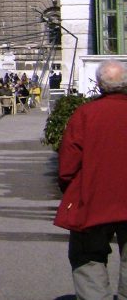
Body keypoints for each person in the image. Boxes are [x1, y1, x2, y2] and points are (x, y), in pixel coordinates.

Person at [54, 59, 127, 300]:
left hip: (93, 197)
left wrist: (71, 188)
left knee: (88, 257)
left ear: (99, 84)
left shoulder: (85, 114)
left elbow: (67, 164)